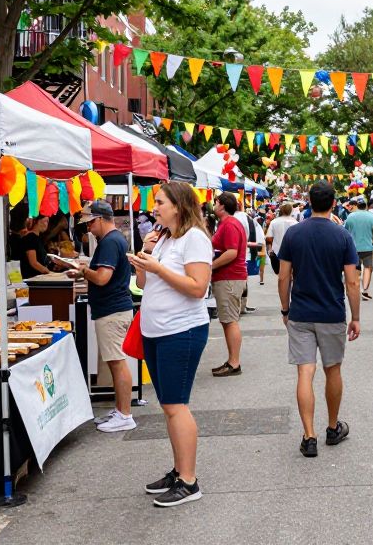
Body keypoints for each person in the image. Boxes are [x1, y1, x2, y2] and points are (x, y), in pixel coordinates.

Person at [129, 182, 211, 507]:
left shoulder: (194, 239)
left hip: (182, 331)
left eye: (160, 202)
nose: (155, 208)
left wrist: (157, 266)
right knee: (168, 407)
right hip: (156, 331)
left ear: (178, 206)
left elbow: (198, 288)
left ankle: (189, 481)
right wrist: (145, 257)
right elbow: (141, 285)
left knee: (177, 405)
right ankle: (179, 471)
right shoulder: (163, 237)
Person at [276, 181, 361, 458]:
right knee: (333, 370)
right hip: (331, 312)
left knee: (305, 372)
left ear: (309, 202)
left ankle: (309, 435)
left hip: (301, 312)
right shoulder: (342, 236)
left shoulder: (294, 234)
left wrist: (285, 309)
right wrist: (356, 316)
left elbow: (283, 276)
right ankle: (333, 428)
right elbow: (352, 281)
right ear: (333, 202)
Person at [73, 201, 136, 434]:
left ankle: (124, 414)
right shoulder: (114, 239)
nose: (88, 227)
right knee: (115, 361)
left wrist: (83, 270)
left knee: (117, 362)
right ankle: (121, 410)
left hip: (112, 310)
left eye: (90, 222)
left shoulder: (109, 242)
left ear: (100, 219)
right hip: (112, 308)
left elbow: (101, 278)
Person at [211, 193, 247, 377]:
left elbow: (232, 252)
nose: (214, 205)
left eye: (215, 202)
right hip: (227, 277)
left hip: (229, 277)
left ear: (223, 206)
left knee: (230, 320)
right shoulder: (228, 223)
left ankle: (234, 362)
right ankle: (232, 360)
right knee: (227, 320)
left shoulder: (230, 224)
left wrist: (211, 266)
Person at [344, 197, 373, 301]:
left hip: (354, 248)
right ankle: (365, 290)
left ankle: (356, 287)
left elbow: (346, 231)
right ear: (366, 205)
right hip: (368, 247)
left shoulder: (350, 216)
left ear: (357, 205)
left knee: (356, 269)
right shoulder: (371, 216)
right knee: (368, 268)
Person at [266, 202, 297, 276]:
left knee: (281, 275)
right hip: (292, 252)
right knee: (290, 275)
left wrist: (270, 251)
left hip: (277, 252)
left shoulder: (274, 222)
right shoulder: (296, 222)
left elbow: (269, 238)